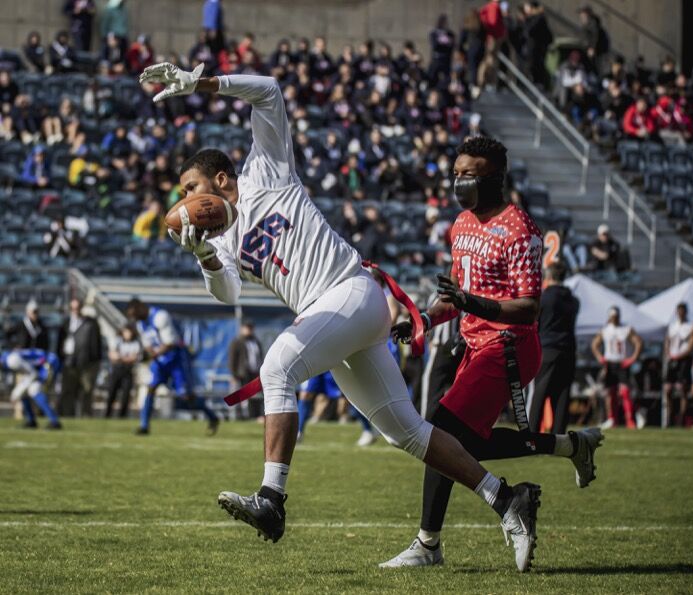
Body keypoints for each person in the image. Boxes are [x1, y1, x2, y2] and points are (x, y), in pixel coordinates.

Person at [141, 63, 549, 568]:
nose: (185, 201)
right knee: (408, 432)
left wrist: (203, 83)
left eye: (190, 187)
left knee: (276, 369)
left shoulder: (264, 171)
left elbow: (268, 92)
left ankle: (271, 500)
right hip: (337, 317)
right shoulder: (223, 241)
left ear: (219, 180)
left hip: (350, 291)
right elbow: (226, 294)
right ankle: (507, 499)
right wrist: (203, 256)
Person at [381, 136, 601, 570]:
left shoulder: (520, 229)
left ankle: (431, 543)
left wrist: (471, 303)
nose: (459, 182)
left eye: (470, 175)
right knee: (463, 446)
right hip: (474, 345)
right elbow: (453, 295)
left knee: (438, 435)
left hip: (509, 346)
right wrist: (420, 319)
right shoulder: (461, 224)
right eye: (457, 173)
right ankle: (570, 446)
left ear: (495, 179)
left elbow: (528, 307)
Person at [126, 298, 219, 435]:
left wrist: (151, 355)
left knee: (186, 397)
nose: (135, 318)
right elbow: (148, 344)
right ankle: (144, 426)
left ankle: (212, 416)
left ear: (140, 307)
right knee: (151, 388)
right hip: (160, 361)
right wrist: (148, 354)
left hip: (176, 360)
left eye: (135, 314)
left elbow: (170, 343)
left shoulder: (160, 316)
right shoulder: (141, 324)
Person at [528, 262, 579, 433]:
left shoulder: (545, 298)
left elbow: (536, 323)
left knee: (540, 393)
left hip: (547, 348)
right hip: (568, 349)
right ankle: (558, 437)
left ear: (548, 277)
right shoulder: (573, 300)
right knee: (563, 395)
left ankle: (532, 434)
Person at [591, 306, 643, 430]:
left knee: (625, 392)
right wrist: (600, 357)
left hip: (622, 363)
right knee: (610, 393)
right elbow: (594, 344)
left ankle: (630, 420)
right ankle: (612, 419)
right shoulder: (605, 330)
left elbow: (638, 342)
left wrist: (632, 358)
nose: (614, 318)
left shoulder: (626, 329)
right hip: (610, 363)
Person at [58, 300, 103, 417]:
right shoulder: (66, 323)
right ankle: (68, 414)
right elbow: (60, 342)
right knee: (68, 390)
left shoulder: (91, 323)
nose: (76, 310)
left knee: (86, 390)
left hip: (86, 363)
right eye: (73, 308)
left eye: (77, 307)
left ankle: (85, 414)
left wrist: (95, 361)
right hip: (69, 363)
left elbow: (96, 344)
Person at [0, 348, 62, 430]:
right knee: (25, 393)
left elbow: (33, 374)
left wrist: (17, 392)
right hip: (41, 365)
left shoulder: (12, 360)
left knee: (34, 390)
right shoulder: (9, 358)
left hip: (49, 363)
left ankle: (54, 421)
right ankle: (31, 420)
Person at [662, 303, 693, 428]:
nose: (680, 313)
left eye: (683, 311)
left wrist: (681, 355)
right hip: (672, 359)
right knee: (668, 388)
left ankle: (681, 418)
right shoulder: (672, 326)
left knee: (683, 389)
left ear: (686, 312)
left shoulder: (690, 326)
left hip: (684, 360)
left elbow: (692, 344)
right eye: (679, 311)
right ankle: (669, 417)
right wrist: (669, 353)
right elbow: (667, 341)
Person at [228, 320, 264, 419]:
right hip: (242, 374)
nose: (249, 330)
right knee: (241, 396)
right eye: (247, 328)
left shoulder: (256, 341)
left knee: (255, 396)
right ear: (242, 329)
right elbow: (232, 359)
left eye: (251, 328)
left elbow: (260, 356)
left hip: (255, 373)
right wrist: (233, 374)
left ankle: (254, 415)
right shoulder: (237, 342)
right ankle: (239, 416)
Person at [105, 324, 143, 418]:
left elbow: (134, 357)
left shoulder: (136, 343)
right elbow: (112, 355)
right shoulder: (117, 341)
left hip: (128, 370)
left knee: (126, 394)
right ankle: (107, 414)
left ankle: (122, 416)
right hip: (117, 370)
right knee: (112, 392)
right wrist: (124, 358)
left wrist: (121, 357)